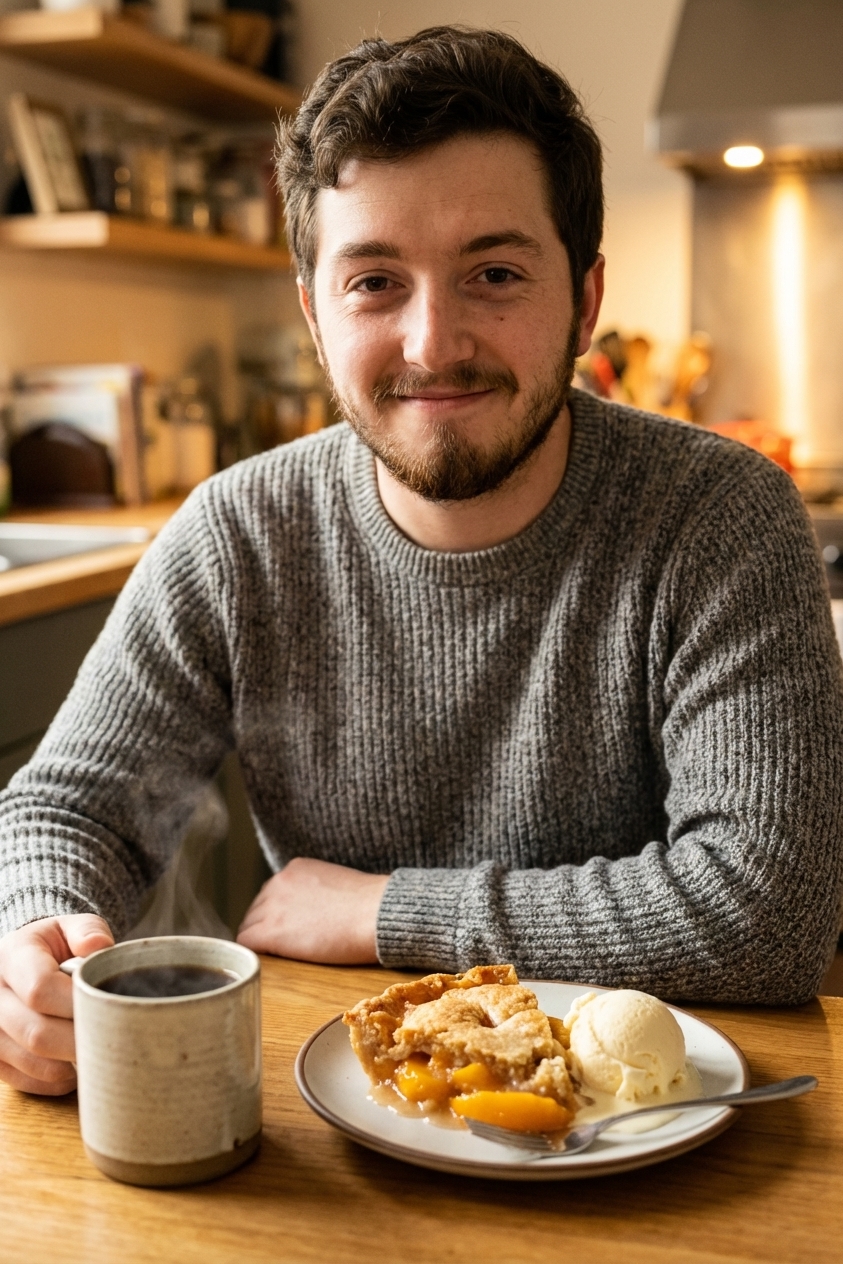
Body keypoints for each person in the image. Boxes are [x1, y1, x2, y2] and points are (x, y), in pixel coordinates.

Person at [1, 27, 842, 1097]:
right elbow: (66, 809)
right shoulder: (236, 533)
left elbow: (765, 913)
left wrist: (382, 909)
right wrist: (34, 938)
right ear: (314, 313)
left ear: (584, 301)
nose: (433, 342)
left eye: (494, 273)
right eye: (375, 283)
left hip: (663, 1136)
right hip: (348, 1118)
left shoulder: (722, 516)